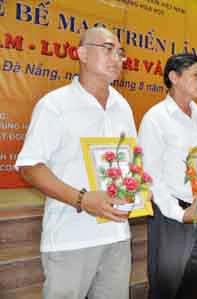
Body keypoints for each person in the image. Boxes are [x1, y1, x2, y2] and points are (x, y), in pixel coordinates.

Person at [15, 27, 135, 299]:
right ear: (82, 53)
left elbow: (128, 160)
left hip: (117, 235)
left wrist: (138, 188)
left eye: (120, 52)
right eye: (107, 48)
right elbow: (30, 166)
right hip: (70, 239)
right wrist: (82, 199)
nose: (116, 57)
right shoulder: (54, 105)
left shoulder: (122, 106)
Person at [138, 53, 197, 299]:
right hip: (171, 216)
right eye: (196, 75)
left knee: (196, 287)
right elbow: (150, 175)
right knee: (166, 289)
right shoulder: (156, 118)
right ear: (174, 77)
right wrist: (181, 213)